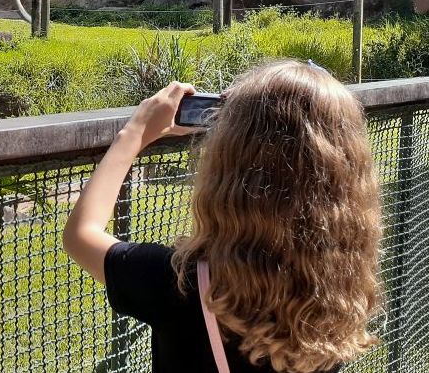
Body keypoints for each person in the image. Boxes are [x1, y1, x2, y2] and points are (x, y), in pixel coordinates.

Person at [62, 60, 381, 373]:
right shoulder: (341, 295)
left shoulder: (177, 284)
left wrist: (134, 133)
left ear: (230, 167)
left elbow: (81, 234)